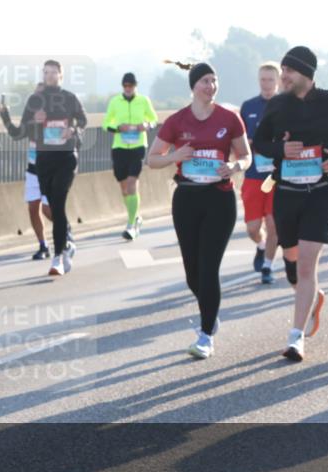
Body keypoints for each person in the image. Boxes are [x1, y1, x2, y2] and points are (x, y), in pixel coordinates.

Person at [253, 46, 328, 362]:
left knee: (306, 265)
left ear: (306, 74)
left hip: (321, 193)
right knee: (292, 263)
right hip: (286, 192)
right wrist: (281, 150)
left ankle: (296, 337)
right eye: (282, 70)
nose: (283, 76)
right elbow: (259, 142)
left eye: (289, 71)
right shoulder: (278, 105)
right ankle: (313, 297)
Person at [148, 63, 250, 359]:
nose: (211, 86)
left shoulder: (229, 119)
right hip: (187, 199)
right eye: (205, 81)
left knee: (208, 268)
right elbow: (152, 159)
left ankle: (206, 335)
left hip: (219, 199)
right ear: (193, 86)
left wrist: (234, 167)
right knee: (192, 273)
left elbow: (246, 156)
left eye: (214, 81)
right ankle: (210, 310)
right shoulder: (177, 121)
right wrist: (175, 156)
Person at [16, 60, 88, 276]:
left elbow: (83, 120)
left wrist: (73, 129)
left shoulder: (68, 97)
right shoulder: (35, 100)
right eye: (46, 72)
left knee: (57, 203)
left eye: (53, 72)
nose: (49, 75)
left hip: (66, 157)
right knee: (53, 204)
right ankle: (66, 246)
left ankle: (57, 257)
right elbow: (21, 130)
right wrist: (34, 122)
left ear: (61, 75)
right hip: (43, 159)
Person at [0, 82, 55, 259]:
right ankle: (43, 245)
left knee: (48, 210)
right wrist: (5, 115)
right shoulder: (31, 118)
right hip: (33, 169)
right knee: (33, 208)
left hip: (51, 170)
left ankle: (64, 229)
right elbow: (16, 134)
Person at [103, 72, 158, 240]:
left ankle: (131, 224)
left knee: (133, 183)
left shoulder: (143, 101)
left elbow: (154, 120)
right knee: (124, 188)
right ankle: (135, 217)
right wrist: (119, 128)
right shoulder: (115, 101)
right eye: (125, 86)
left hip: (138, 146)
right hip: (119, 147)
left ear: (135, 86)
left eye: (131, 86)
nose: (128, 88)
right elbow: (106, 125)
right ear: (122, 87)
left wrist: (146, 125)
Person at [240, 62, 281, 284]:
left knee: (274, 223)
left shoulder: (285, 105)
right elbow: (239, 140)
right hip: (255, 176)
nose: (266, 84)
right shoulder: (248, 107)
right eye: (263, 79)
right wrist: (248, 144)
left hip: (275, 177)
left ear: (278, 81)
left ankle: (268, 266)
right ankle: (261, 245)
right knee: (253, 228)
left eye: (270, 80)